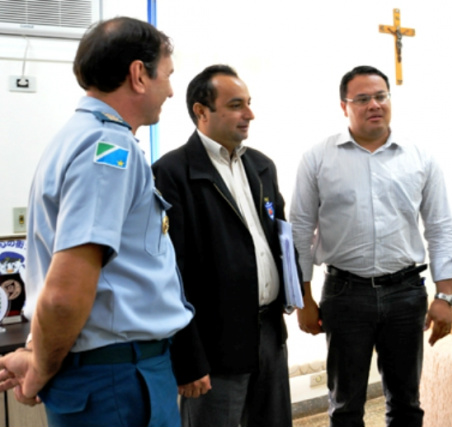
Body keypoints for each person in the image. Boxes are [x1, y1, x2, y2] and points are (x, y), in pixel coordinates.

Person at [0, 16, 193, 427]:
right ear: (139, 75)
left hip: (107, 373)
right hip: (119, 380)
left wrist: (36, 353)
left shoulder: (76, 137)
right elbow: (65, 294)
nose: (172, 91)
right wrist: (38, 374)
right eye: (168, 76)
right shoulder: (109, 149)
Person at [290, 65, 452, 427]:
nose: (374, 105)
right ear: (344, 106)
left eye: (380, 96)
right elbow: (300, 231)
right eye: (362, 98)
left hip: (406, 294)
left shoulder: (420, 158)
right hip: (344, 294)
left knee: (406, 404)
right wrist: (303, 298)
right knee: (346, 406)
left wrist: (445, 295)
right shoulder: (318, 158)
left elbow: (441, 227)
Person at [152, 64, 297, 427]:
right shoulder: (172, 173)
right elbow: (172, 274)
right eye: (236, 105)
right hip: (214, 343)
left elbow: (277, 238)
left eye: (248, 103)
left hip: (269, 332)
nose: (249, 114)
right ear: (201, 111)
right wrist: (187, 358)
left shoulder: (262, 166)